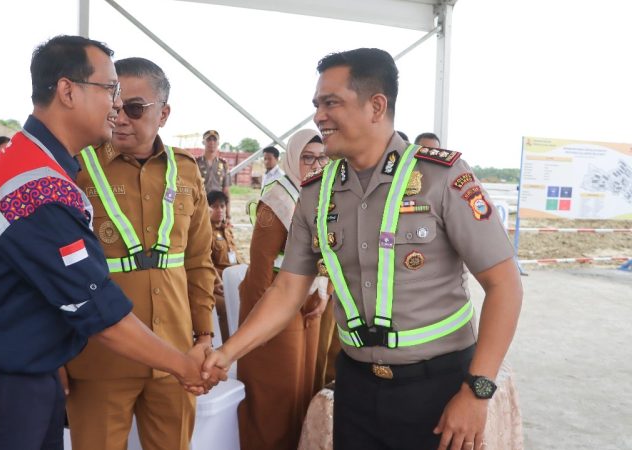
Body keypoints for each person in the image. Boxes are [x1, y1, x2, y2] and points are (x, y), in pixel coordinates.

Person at [204, 48, 523, 450]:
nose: (319, 116)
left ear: (376, 106)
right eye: (317, 104)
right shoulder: (316, 194)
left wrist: (477, 391)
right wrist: (226, 352)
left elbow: (505, 285)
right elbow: (287, 291)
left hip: (438, 389)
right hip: (355, 386)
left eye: (331, 102)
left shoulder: (440, 177)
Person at [0, 36, 222, 450]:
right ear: (67, 91)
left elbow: (197, 258)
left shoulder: (39, 165)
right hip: (0, 389)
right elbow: (100, 312)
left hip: (21, 375)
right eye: (111, 90)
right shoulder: (37, 186)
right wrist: (184, 363)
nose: (116, 106)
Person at [67, 56, 218, 450]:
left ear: (163, 114)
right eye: (114, 106)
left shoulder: (186, 171)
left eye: (135, 109)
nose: (120, 118)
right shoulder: (75, 168)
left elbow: (200, 262)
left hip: (176, 358)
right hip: (98, 358)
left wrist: (203, 337)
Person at [235, 129, 329, 450]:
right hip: (273, 302)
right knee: (276, 390)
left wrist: (323, 293)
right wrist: (263, 320)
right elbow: (260, 265)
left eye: (322, 157)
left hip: (310, 301)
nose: (316, 164)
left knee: (303, 387)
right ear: (293, 158)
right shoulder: (277, 198)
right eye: (307, 157)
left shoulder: (320, 195)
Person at [207, 189, 238, 340]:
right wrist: (220, 282)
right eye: (214, 206)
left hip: (233, 280)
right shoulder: (206, 233)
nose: (219, 210)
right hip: (216, 284)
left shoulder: (227, 230)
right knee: (226, 306)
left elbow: (236, 258)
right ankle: (228, 344)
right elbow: (207, 264)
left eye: (222, 206)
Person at [196, 130, 231, 223]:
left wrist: (228, 215)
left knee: (216, 235)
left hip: (217, 207)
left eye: (214, 140)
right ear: (203, 142)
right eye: (209, 140)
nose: (212, 142)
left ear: (218, 143)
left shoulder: (223, 164)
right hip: (201, 205)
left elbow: (226, 191)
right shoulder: (196, 163)